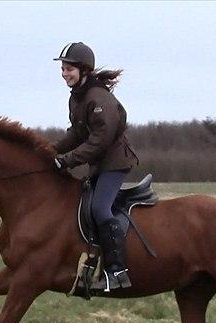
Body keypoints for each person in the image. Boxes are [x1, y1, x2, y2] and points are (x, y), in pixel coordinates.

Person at [52, 42, 139, 291]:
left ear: (84, 70)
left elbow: (99, 141)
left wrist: (66, 160)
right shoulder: (77, 98)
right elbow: (76, 134)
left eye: (69, 69)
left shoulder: (98, 98)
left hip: (115, 163)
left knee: (101, 208)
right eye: (63, 69)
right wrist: (49, 150)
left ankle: (117, 272)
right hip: (99, 165)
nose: (64, 73)